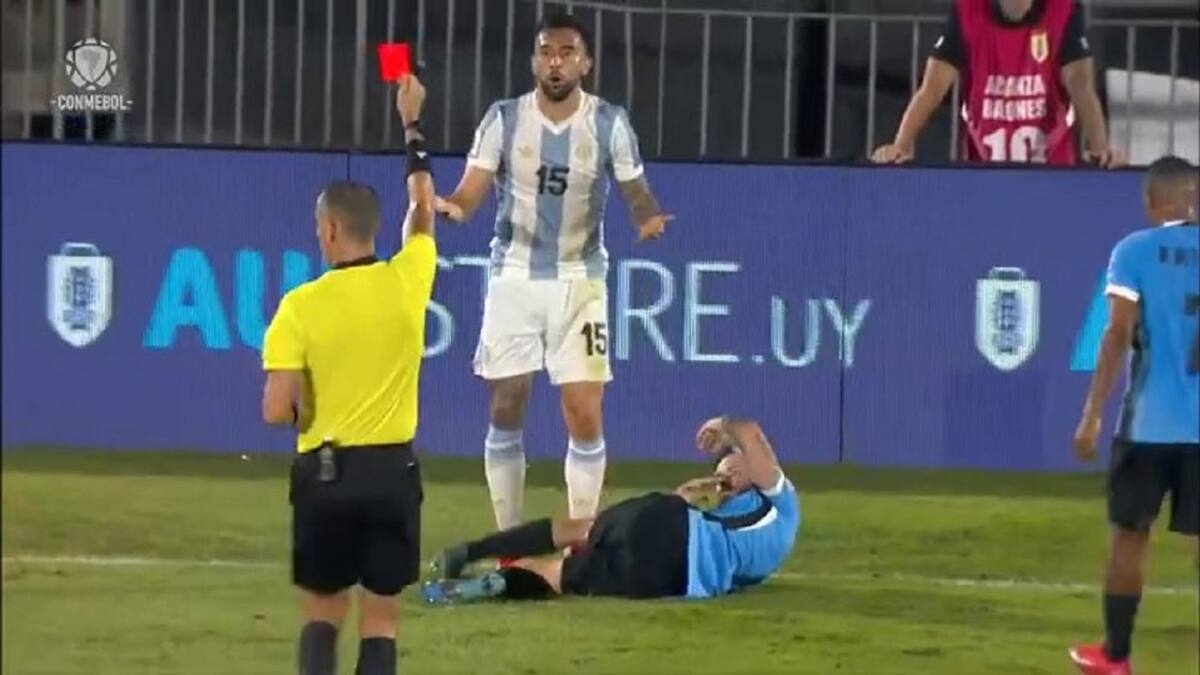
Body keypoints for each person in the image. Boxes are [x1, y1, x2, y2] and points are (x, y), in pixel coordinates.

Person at [435, 12, 672, 532]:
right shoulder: (504, 119)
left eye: (566, 53)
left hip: (579, 280)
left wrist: (647, 217)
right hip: (514, 276)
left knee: (584, 407)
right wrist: (452, 206)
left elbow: (634, 187)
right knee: (506, 402)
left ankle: (582, 537)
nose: (555, 62)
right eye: (546, 52)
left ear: (585, 63)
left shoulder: (608, 122)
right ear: (534, 62)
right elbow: (471, 189)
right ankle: (510, 535)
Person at [260, 74, 437, 675]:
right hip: (392, 473)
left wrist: (306, 405)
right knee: (381, 619)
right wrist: (411, 125)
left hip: (326, 475)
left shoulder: (299, 307)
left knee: (322, 614)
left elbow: (275, 409)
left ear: (331, 229)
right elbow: (423, 209)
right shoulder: (408, 280)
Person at [421, 416, 800, 604]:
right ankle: (492, 584)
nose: (727, 474)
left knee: (580, 529)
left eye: (733, 466)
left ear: (753, 466)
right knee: (557, 575)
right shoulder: (759, 525)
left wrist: (721, 424)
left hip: (662, 525)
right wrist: (696, 493)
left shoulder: (779, 496)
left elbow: (750, 432)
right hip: (669, 578)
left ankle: (471, 551)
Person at [1069, 156, 1199, 675]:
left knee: (1130, 537)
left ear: (1150, 200)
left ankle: (1116, 656)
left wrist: (1091, 414)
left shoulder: (1134, 251)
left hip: (1148, 424)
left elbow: (1118, 333)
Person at [872, 0, 1124, 167]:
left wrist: (1100, 148)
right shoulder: (968, 11)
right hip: (983, 172)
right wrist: (901, 144)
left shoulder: (1062, 10)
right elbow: (932, 88)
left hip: (1052, 172)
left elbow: (1081, 85)